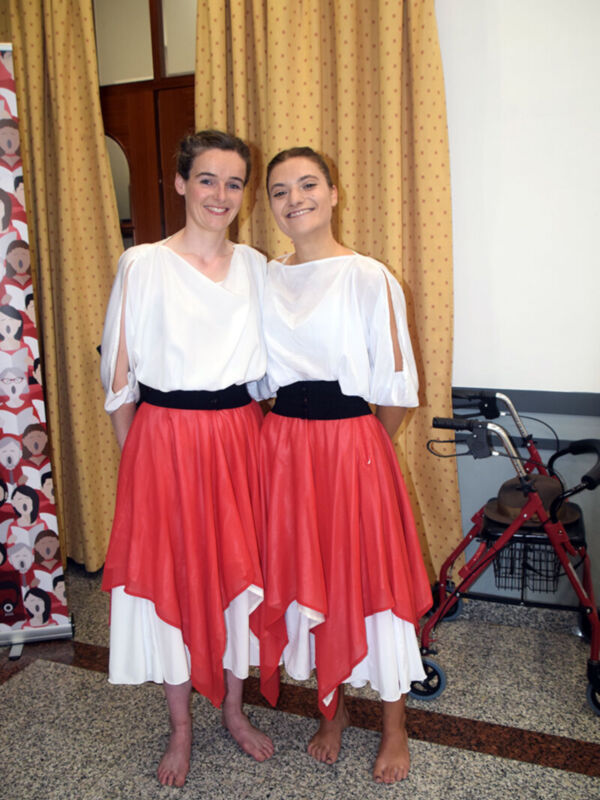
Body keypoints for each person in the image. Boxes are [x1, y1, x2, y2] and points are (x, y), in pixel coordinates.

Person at [100, 130, 274, 788]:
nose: (221, 195)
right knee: (174, 579)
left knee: (236, 578)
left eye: (234, 183)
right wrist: (137, 465)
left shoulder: (258, 267)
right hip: (164, 443)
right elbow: (118, 379)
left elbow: (275, 373)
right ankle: (179, 728)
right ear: (180, 184)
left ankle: (231, 709)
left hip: (238, 440)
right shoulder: (142, 264)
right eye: (207, 179)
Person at [254, 147, 433, 784]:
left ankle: (393, 724)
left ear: (334, 192)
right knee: (311, 581)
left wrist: (361, 451)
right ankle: (330, 711)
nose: (294, 198)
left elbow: (393, 387)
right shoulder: (265, 277)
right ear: (268, 204)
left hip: (352, 446)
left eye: (307, 184)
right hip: (284, 448)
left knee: (370, 583)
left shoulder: (368, 276)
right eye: (279, 190)